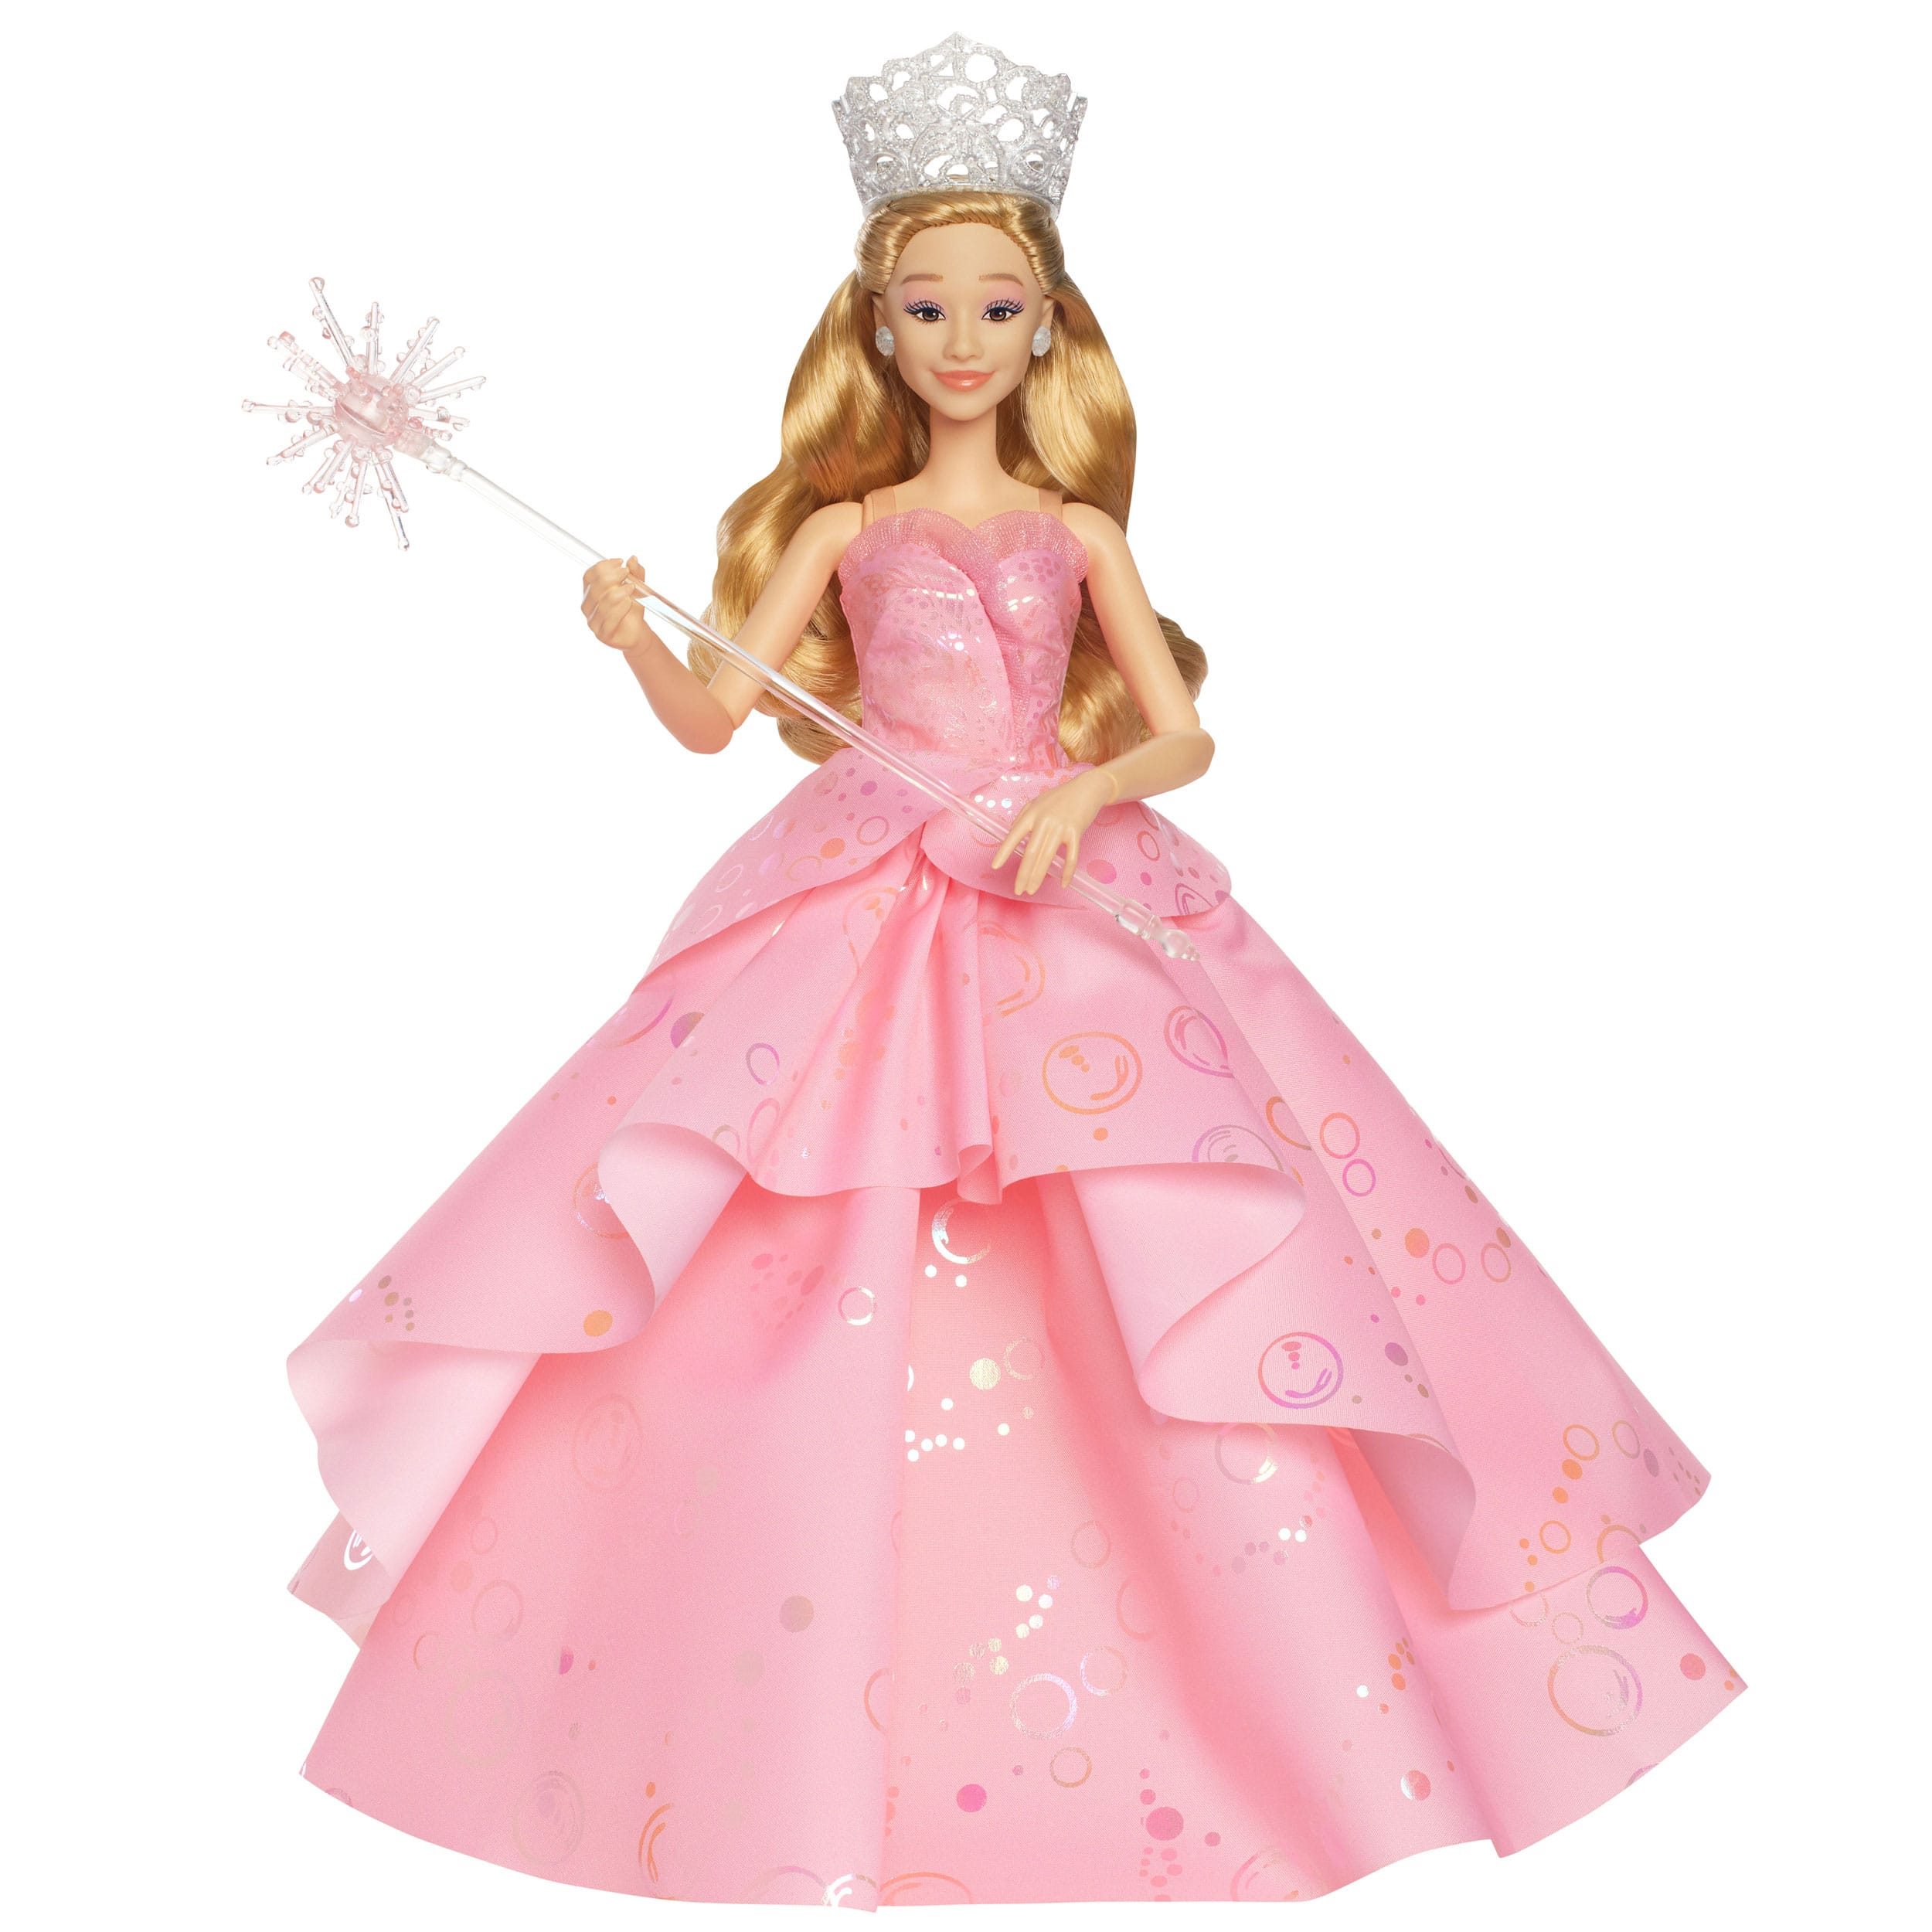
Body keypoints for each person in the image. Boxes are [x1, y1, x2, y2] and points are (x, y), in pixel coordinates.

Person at [288, 32, 1743, 1906]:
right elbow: (713, 718)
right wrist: (626, 632)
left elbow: (1182, 731)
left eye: (994, 304)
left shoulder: (1075, 531)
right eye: (925, 306)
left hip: (1063, 884)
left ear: (1046, 320)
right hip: (862, 887)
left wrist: (1082, 792)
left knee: (1167, 1216)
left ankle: (1250, 1688)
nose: (960, 338)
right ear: (875, 326)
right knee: (794, 1225)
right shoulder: (841, 529)